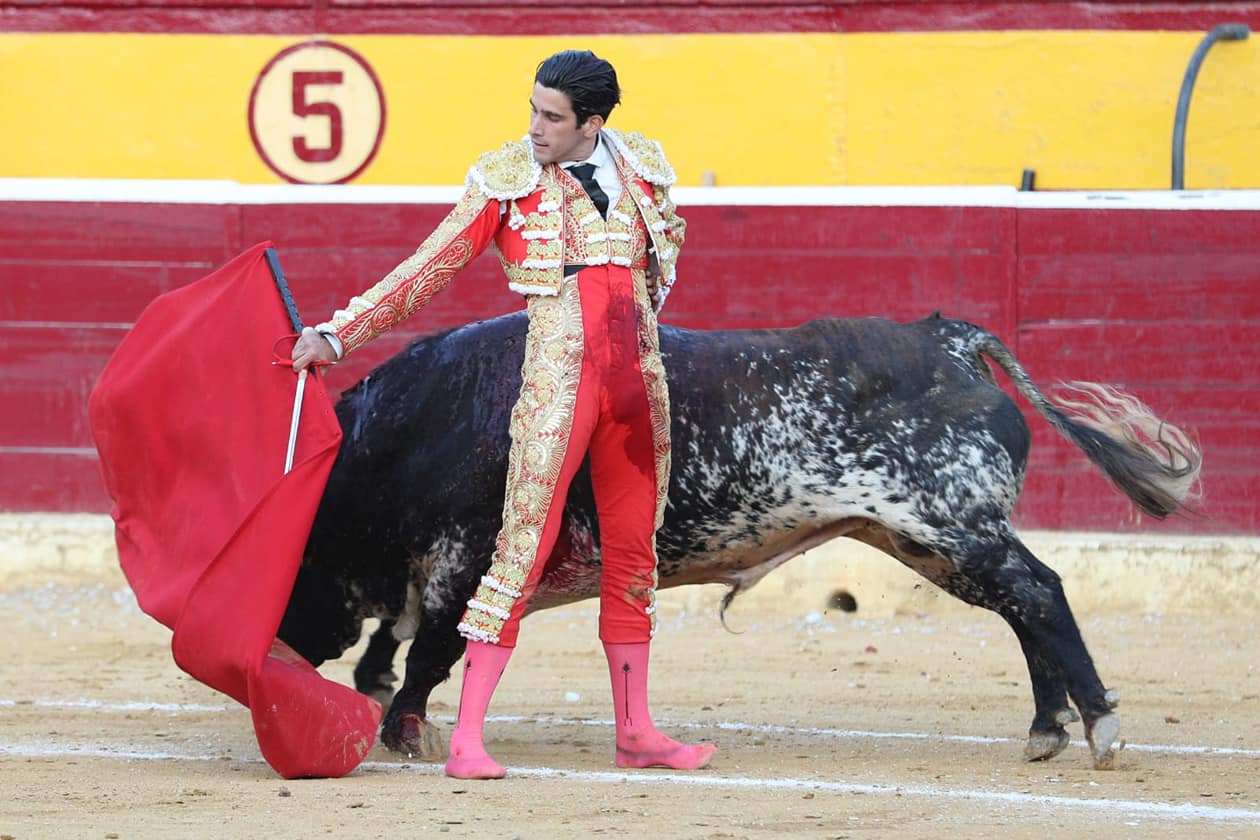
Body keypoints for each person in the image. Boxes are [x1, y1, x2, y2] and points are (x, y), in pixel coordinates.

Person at [291, 49, 715, 780]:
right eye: (533, 110)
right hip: (557, 388)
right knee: (518, 554)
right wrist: (338, 334)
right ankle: (467, 740)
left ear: (593, 123)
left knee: (634, 560)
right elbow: (429, 268)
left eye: (552, 117)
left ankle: (637, 732)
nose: (535, 128)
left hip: (637, 392)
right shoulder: (507, 179)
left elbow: (661, 267)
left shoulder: (644, 167)